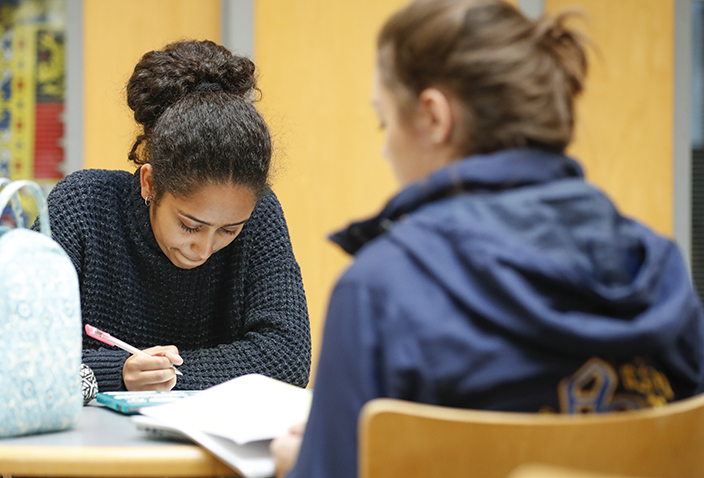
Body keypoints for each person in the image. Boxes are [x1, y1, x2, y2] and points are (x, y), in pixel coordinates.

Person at [271, 1, 704, 477]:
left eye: (385, 121)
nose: (384, 147)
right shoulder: (658, 270)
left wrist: (300, 466)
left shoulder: (379, 291)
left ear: (435, 118)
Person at [41, 40, 311, 395]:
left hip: (205, 446)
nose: (203, 248)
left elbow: (287, 357)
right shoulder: (82, 206)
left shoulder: (259, 214)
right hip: (84, 445)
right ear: (150, 183)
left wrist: (160, 375)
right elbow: (25, 353)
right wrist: (119, 372)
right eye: (189, 225)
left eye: (229, 230)